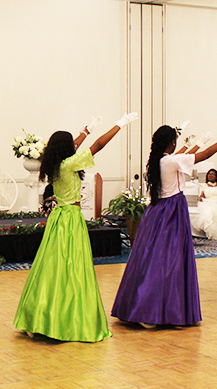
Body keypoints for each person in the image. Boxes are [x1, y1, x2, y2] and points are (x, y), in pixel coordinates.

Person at [16, 112, 137, 341]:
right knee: (72, 268)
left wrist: (86, 130)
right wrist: (119, 125)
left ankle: (42, 316)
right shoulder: (70, 164)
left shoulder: (52, 164)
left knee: (52, 267)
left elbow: (74, 145)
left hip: (57, 219)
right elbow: (99, 146)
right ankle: (66, 319)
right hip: (71, 219)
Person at [112, 122, 217, 327]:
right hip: (171, 211)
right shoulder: (171, 161)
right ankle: (152, 309)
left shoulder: (158, 160)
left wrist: (196, 142)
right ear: (171, 142)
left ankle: (153, 306)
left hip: (157, 211)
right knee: (169, 259)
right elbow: (205, 156)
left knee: (153, 257)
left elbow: (180, 155)